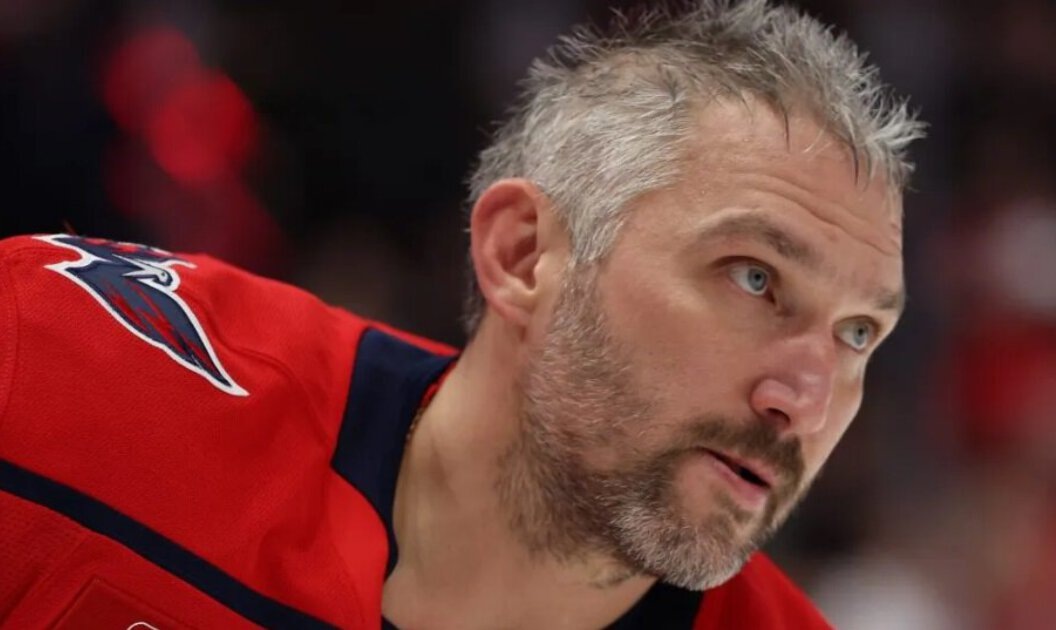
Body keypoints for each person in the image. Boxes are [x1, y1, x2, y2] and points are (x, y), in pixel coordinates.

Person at [0, 1, 923, 628]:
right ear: (523, 255)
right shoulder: (59, 363)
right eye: (755, 279)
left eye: (858, 334)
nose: (806, 398)